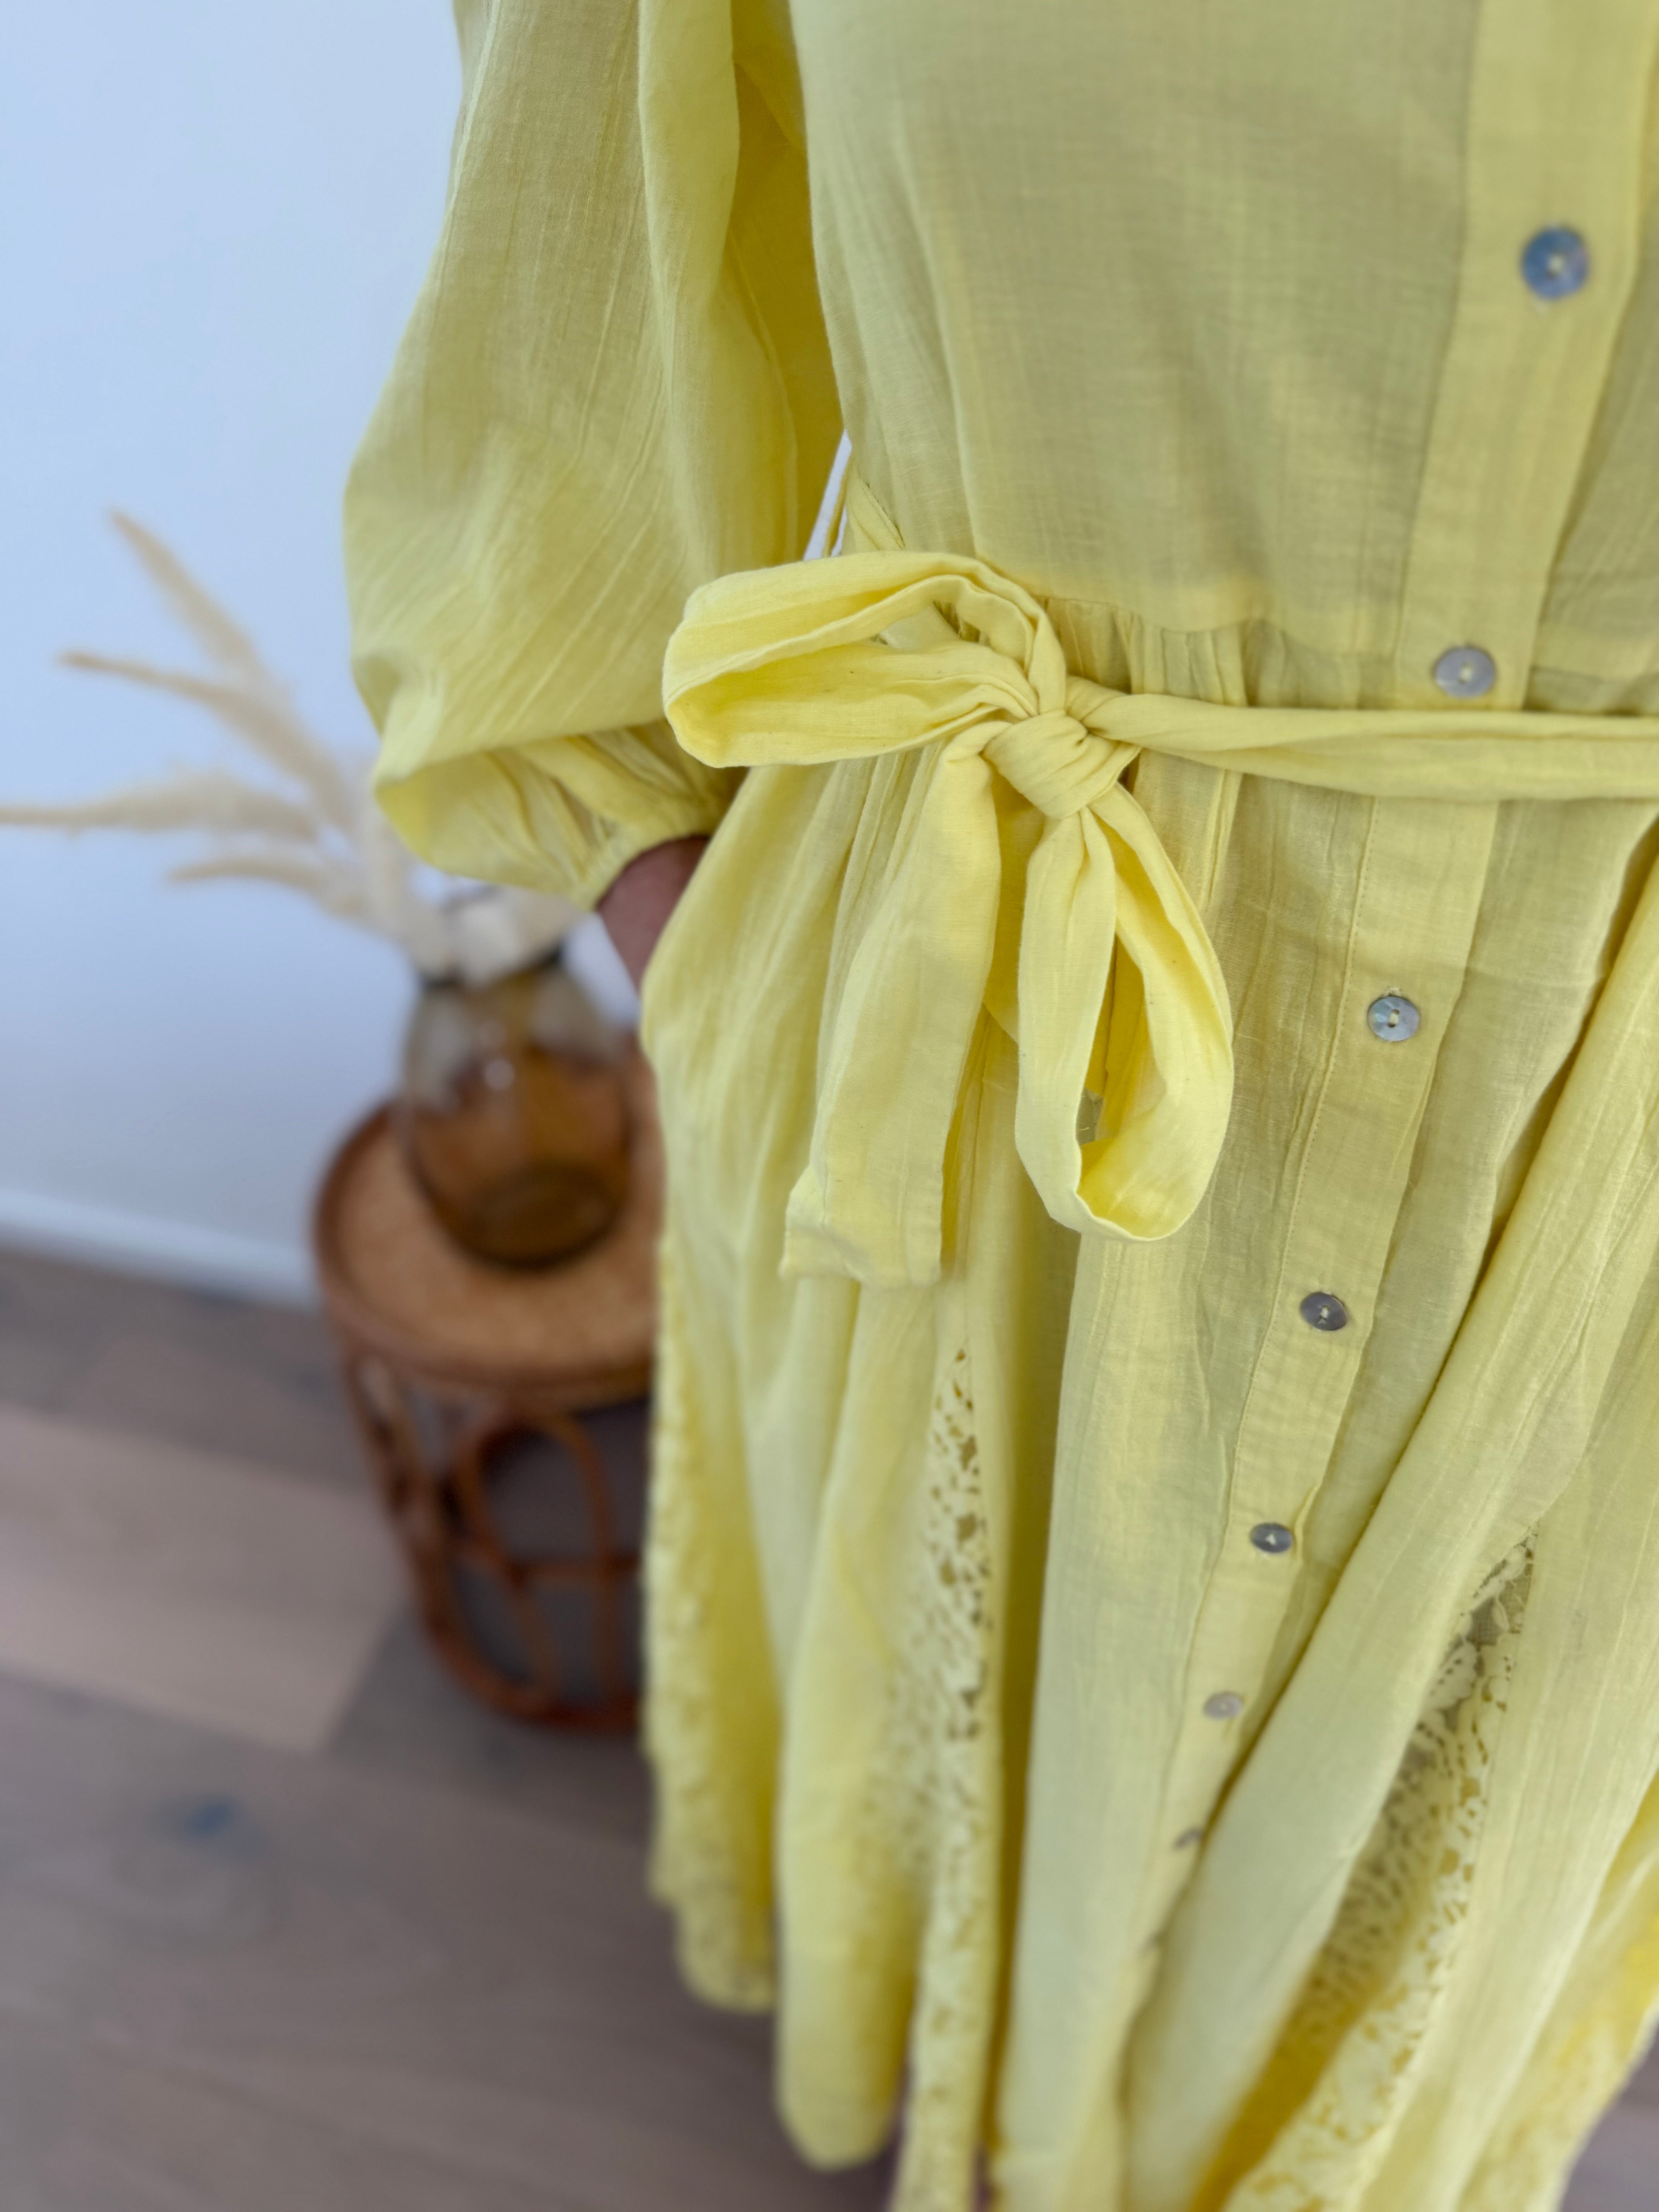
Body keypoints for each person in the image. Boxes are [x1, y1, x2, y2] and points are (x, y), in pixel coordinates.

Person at [343, 5, 1659, 2206]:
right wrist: (716, 947)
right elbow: (564, 339)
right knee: (964, 1700)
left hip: (1612, 1159)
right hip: (976, 1025)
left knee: (1461, 1818)